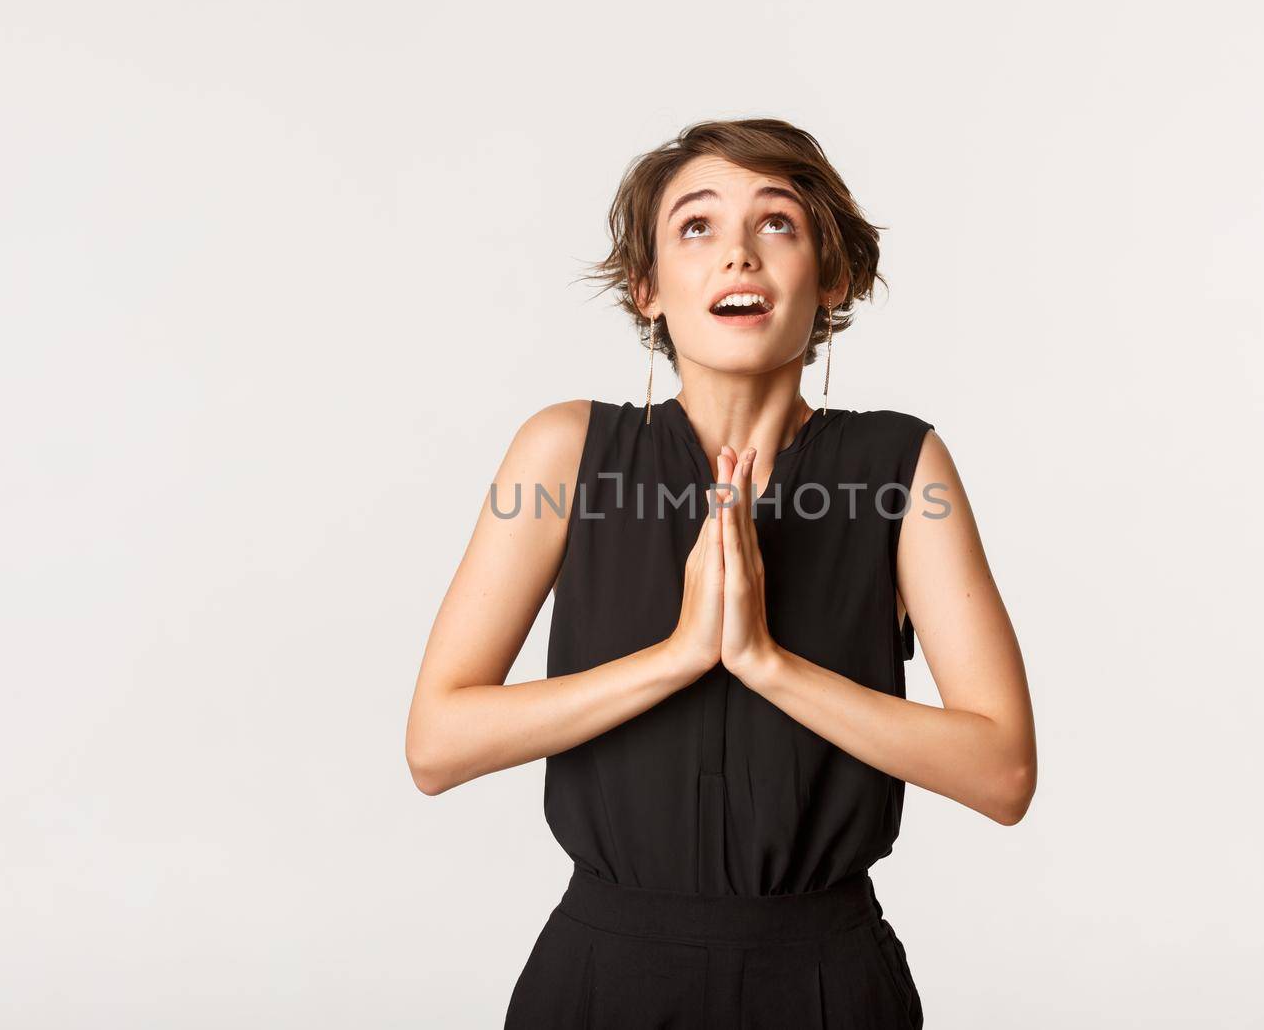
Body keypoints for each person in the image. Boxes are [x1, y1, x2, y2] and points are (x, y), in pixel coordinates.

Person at [405, 118, 1036, 1029]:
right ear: (647, 288)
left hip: (827, 982)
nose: (737, 253)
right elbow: (436, 743)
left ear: (834, 276)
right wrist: (680, 653)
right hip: (601, 979)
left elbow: (1003, 771)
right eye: (696, 226)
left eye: (776, 223)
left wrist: (764, 661)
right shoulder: (562, 451)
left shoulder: (904, 465)